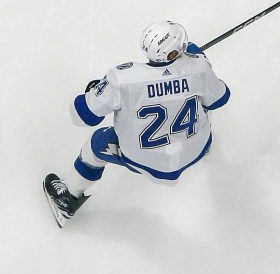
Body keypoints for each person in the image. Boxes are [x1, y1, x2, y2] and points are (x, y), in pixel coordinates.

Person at [43, 21, 231, 228]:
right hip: (197, 149)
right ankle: (204, 149)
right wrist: (200, 62)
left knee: (96, 144)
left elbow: (82, 116)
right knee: (206, 100)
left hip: (142, 160)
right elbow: (220, 98)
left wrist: (97, 89)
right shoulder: (200, 69)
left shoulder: (123, 78)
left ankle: (68, 197)